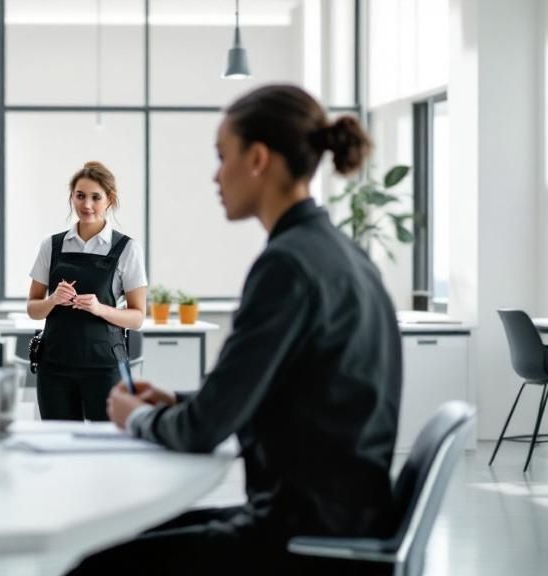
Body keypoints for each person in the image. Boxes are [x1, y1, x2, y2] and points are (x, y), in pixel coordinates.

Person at [69, 85, 402, 575]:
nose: (215, 175)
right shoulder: (341, 253)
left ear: (258, 159)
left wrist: (134, 418)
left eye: (222, 156)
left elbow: (203, 432)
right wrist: (177, 403)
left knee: (94, 566)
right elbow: (266, 395)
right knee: (130, 539)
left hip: (301, 534)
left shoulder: (286, 265)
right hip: (342, 518)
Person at [25, 161, 147, 421]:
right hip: (55, 364)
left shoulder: (127, 249)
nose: (87, 205)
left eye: (95, 197)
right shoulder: (52, 246)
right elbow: (33, 309)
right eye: (80, 196)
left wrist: (99, 308)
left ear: (109, 200)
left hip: (105, 367)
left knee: (106, 446)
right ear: (72, 198)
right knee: (57, 443)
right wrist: (53, 300)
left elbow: (137, 317)